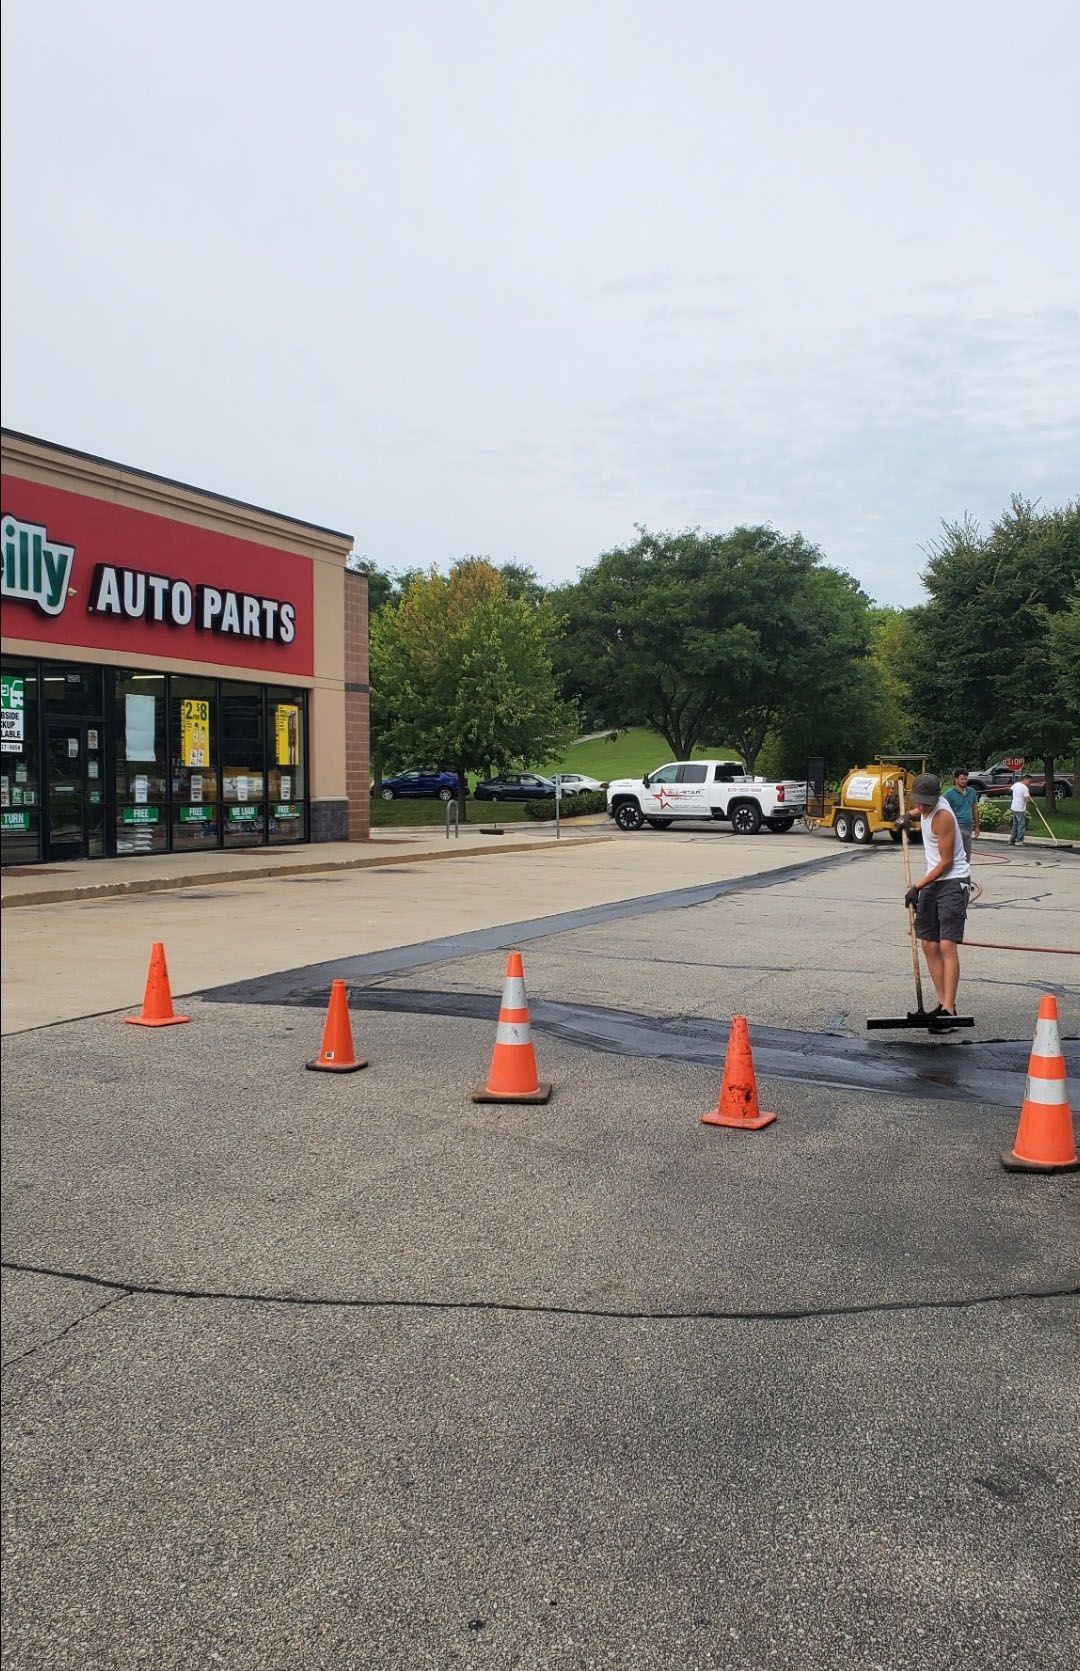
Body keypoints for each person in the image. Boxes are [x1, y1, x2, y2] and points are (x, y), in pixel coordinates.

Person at [904, 772, 971, 1025]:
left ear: (936, 799)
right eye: (918, 802)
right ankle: (942, 1003)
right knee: (928, 944)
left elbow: (946, 862)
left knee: (946, 945)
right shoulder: (923, 808)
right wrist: (905, 816)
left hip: (953, 881)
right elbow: (916, 812)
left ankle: (949, 1009)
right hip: (933, 880)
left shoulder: (942, 817)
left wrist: (916, 887)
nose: (921, 807)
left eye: (926, 804)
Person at [944, 768, 980, 862]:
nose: (964, 781)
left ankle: (965, 874)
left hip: (968, 828)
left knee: (967, 856)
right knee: (957, 855)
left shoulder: (971, 792)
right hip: (956, 828)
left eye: (965, 779)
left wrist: (977, 826)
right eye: (962, 779)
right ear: (956, 779)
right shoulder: (949, 794)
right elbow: (944, 812)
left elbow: (975, 809)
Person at [1009, 773, 1032, 845]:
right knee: (1021, 825)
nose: (1029, 783)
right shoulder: (1025, 788)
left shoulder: (1016, 784)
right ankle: (1019, 841)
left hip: (1013, 808)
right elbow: (1027, 800)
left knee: (1015, 824)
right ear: (1026, 779)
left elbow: (1010, 789)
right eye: (1029, 781)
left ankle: (1012, 840)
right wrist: (1032, 803)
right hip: (1019, 809)